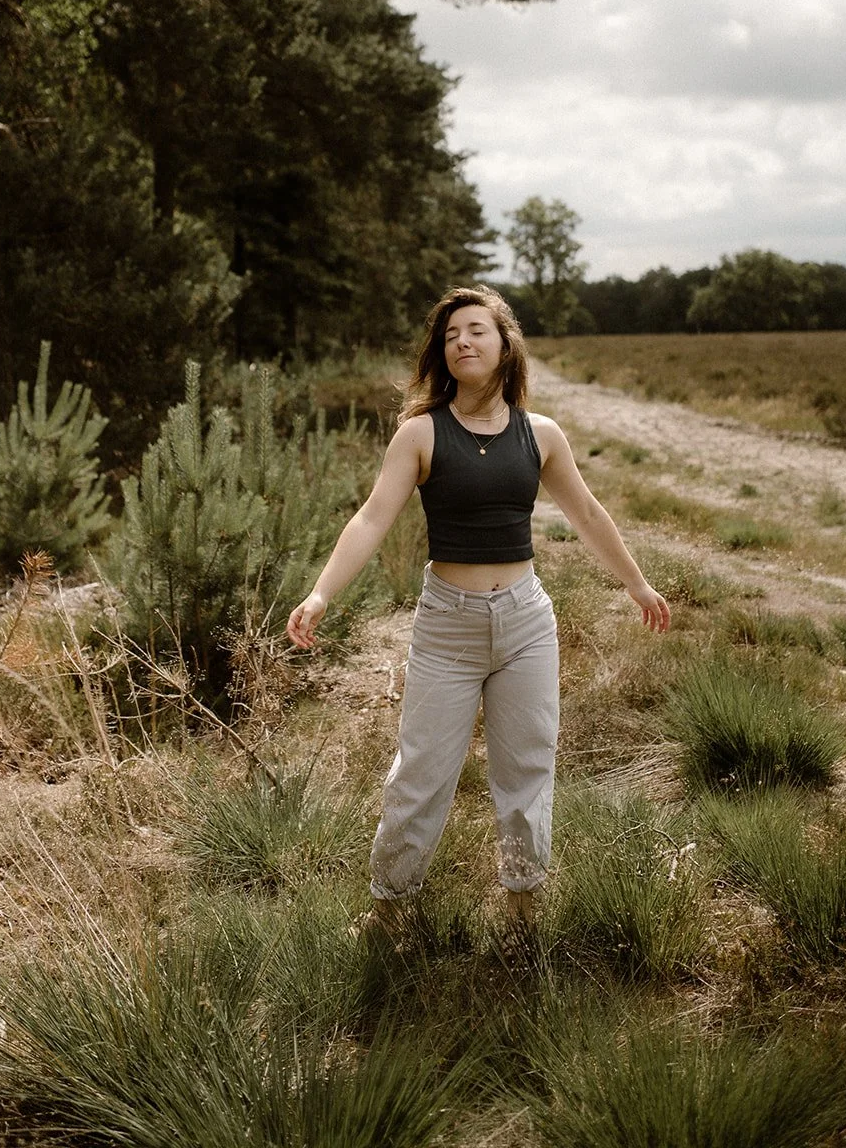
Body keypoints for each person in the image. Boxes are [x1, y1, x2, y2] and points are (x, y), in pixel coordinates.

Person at [286, 284, 670, 929]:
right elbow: (372, 518)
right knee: (422, 773)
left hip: (525, 621)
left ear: (504, 344)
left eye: (476, 331)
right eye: (450, 335)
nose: (461, 341)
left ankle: (524, 901)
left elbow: (587, 512)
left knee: (527, 763)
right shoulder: (420, 434)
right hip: (447, 627)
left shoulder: (540, 434)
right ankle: (390, 904)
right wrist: (322, 591)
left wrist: (635, 583)